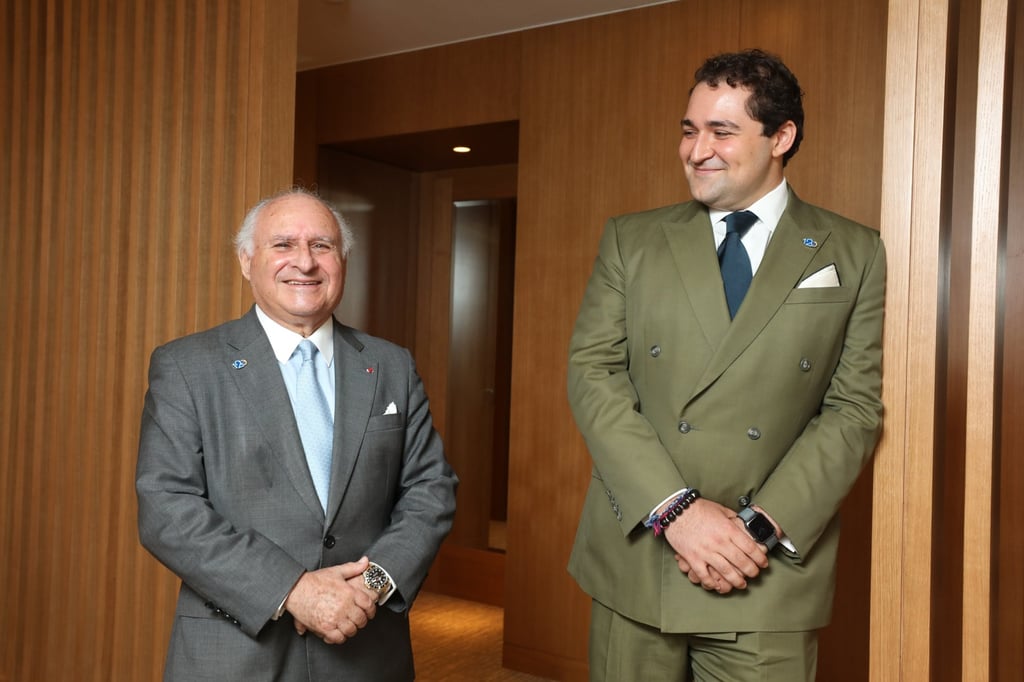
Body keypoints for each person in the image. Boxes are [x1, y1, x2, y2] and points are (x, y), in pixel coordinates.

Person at [566, 49, 885, 681]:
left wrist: (759, 529)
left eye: (722, 130)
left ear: (781, 137)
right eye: (689, 129)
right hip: (641, 560)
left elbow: (853, 408)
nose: (696, 149)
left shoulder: (854, 251)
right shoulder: (632, 239)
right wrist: (677, 511)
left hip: (764, 571)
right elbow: (593, 376)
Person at [137, 188, 457, 681]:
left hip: (365, 650)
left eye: (322, 246)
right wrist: (294, 590)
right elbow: (166, 508)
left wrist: (371, 585)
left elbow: (430, 491)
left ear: (342, 260)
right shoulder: (187, 366)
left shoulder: (390, 364)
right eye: (283, 245)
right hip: (236, 654)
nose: (304, 263)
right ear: (247, 261)